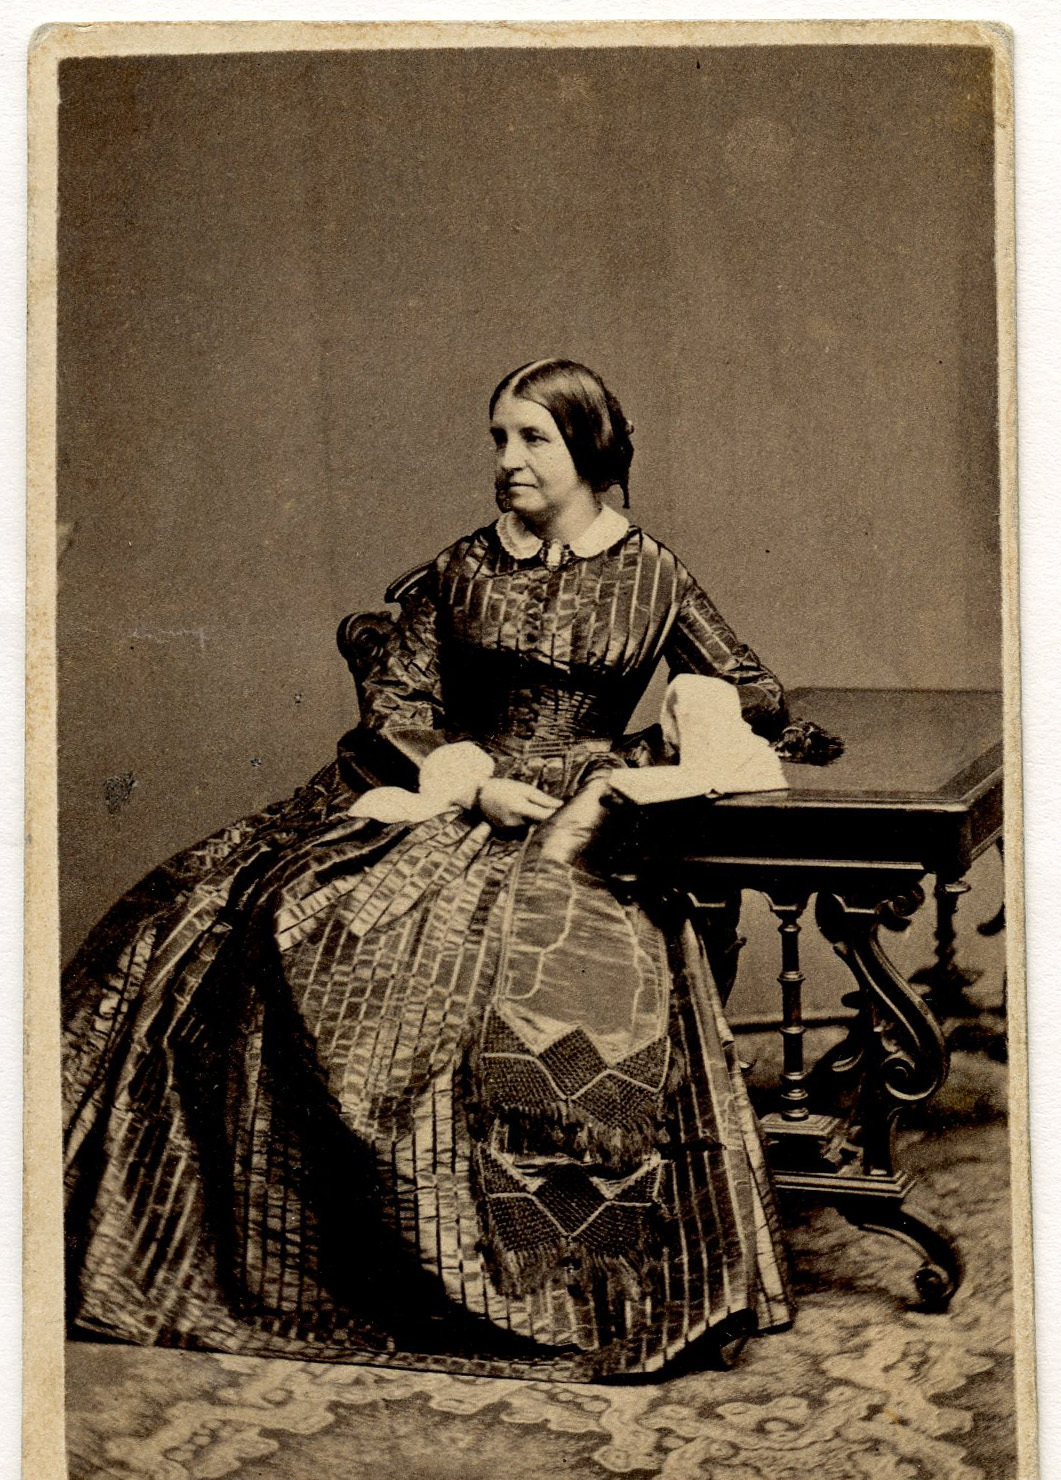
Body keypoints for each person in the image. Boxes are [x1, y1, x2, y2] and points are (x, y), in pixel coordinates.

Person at [63, 358, 802, 1382]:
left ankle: (562, 1278)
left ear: (588, 448)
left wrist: (660, 742)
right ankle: (341, 1261)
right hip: (457, 799)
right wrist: (475, 782)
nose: (506, 461)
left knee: (557, 979)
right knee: (286, 920)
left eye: (531, 439)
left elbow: (749, 687)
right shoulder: (460, 568)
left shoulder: (652, 574)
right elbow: (400, 700)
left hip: (578, 824)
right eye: (498, 438)